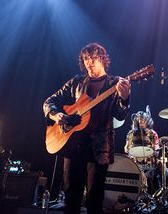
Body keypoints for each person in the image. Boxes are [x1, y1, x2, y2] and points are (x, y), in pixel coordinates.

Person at [43, 43, 131, 214]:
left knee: (95, 200)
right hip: (72, 146)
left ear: (103, 59)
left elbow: (120, 115)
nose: (89, 62)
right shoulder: (76, 82)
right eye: (86, 58)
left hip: (99, 149)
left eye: (93, 57)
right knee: (71, 197)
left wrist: (125, 97)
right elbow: (49, 102)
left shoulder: (115, 84)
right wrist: (56, 115)